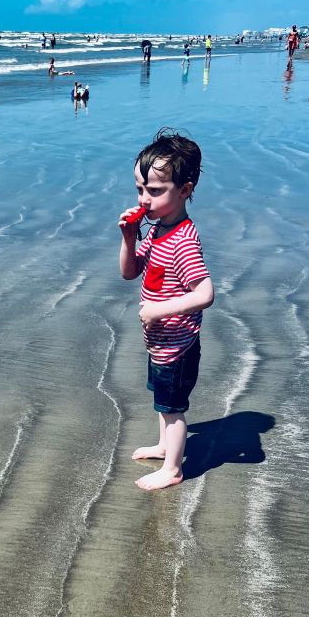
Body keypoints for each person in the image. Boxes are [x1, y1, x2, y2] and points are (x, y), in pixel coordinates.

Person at [118, 129, 214, 491]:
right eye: (140, 189)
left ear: (185, 190)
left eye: (156, 191)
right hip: (160, 343)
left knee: (174, 409)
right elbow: (129, 272)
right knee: (162, 402)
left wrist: (159, 311)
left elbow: (205, 293)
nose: (145, 199)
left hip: (179, 345)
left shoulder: (183, 241)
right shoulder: (158, 230)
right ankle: (164, 447)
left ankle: (173, 469)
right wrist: (129, 238)